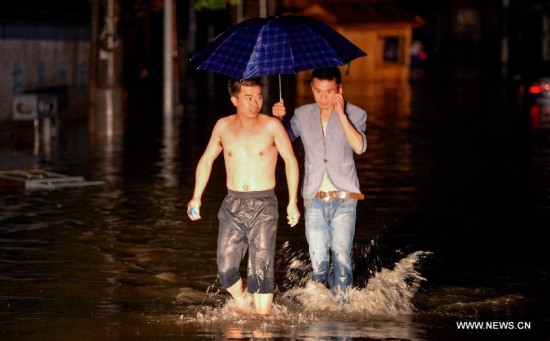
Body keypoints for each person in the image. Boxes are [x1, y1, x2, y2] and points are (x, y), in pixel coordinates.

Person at [187, 77, 300, 315]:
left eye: (259, 97)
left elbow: (290, 161)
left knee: (261, 269)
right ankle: (242, 301)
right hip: (232, 204)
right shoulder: (223, 126)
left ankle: (262, 324)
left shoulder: (272, 126)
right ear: (234, 100)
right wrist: (196, 196)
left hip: (264, 205)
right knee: (225, 270)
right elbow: (207, 159)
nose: (255, 103)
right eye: (248, 98)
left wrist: (292, 202)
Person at [272, 67, 367, 302]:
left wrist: (341, 115)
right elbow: (280, 141)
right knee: (319, 265)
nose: (323, 97)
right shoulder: (302, 114)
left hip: (345, 198)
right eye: (318, 91)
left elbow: (359, 147)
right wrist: (277, 119)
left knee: (342, 261)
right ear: (312, 89)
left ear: (339, 90)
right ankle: (320, 323)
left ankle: (343, 316)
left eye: (329, 91)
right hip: (313, 198)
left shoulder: (356, 113)